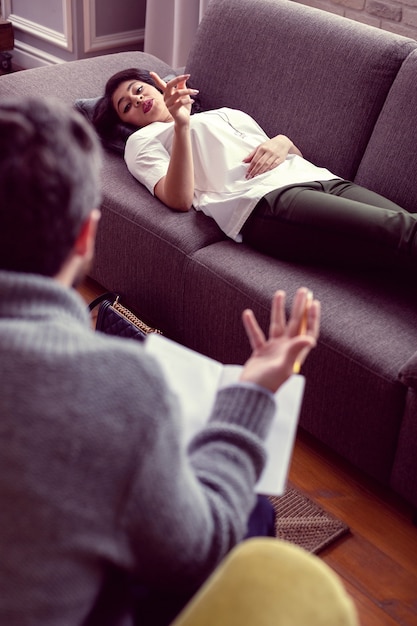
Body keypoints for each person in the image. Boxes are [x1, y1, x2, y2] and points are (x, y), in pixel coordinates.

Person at [0, 97, 320, 625]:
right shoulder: (120, 384)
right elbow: (198, 549)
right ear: (86, 238)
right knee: (254, 511)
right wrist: (255, 392)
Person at [93, 68, 417, 273]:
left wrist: (282, 141)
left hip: (318, 178)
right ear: (127, 123)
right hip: (264, 203)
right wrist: (180, 123)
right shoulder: (143, 141)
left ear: (156, 85)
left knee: (408, 233)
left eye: (138, 90)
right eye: (126, 106)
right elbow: (178, 199)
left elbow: (282, 154)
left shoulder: (225, 113)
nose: (137, 100)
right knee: (403, 232)